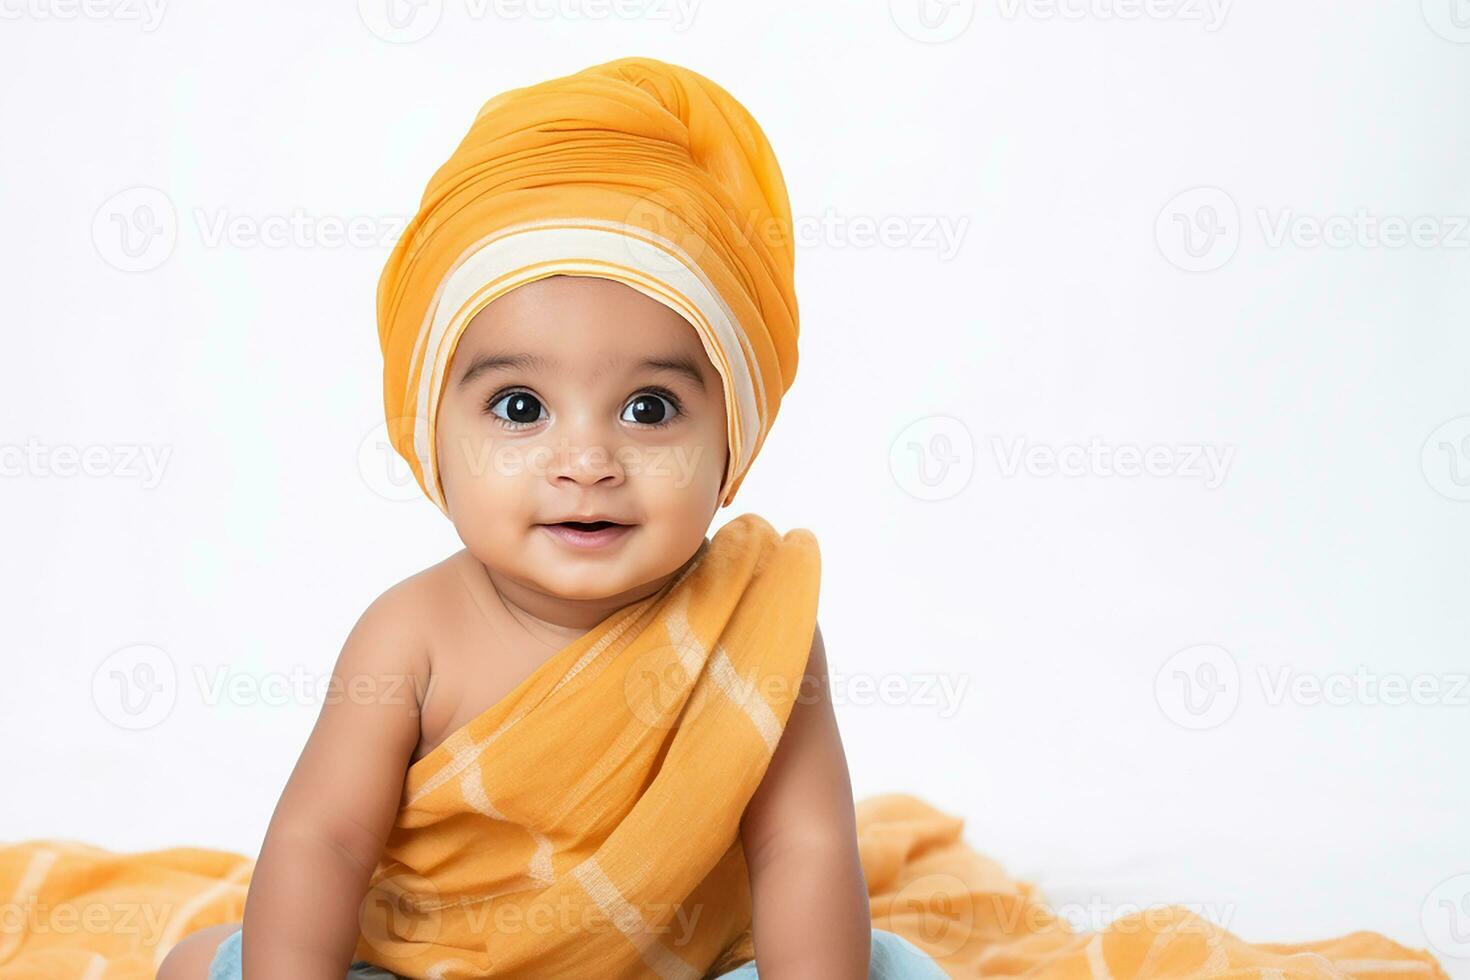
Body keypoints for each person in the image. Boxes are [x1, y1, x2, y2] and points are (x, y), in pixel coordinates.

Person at [157, 56, 950, 980]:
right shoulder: (410, 636)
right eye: (521, 409)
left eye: (649, 409)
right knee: (205, 965)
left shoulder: (754, 628)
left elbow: (802, 850)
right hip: (443, 958)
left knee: (897, 971)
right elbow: (325, 841)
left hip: (683, 961)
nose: (587, 463)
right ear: (430, 439)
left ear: (733, 443)